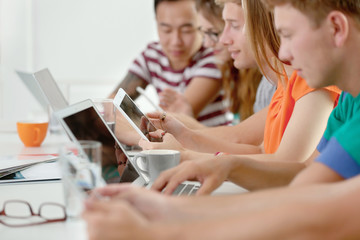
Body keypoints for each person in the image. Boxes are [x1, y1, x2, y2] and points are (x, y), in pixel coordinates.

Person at [83, 0, 360, 239]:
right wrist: (167, 209)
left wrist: (160, 230)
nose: (283, 53)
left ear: (336, 28)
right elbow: (304, 186)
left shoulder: (317, 89)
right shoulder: (349, 101)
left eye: (286, 34)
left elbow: (321, 215)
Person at [139, 0, 340, 192]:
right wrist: (185, 136)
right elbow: (261, 152)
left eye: (235, 26)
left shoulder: (312, 82)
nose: (223, 39)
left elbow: (287, 164)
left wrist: (187, 157)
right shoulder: (286, 85)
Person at [109, 0, 233, 127]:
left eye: (187, 30)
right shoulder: (152, 55)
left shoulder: (215, 56)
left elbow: (176, 120)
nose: (176, 41)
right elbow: (111, 104)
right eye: (166, 30)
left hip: (209, 142)